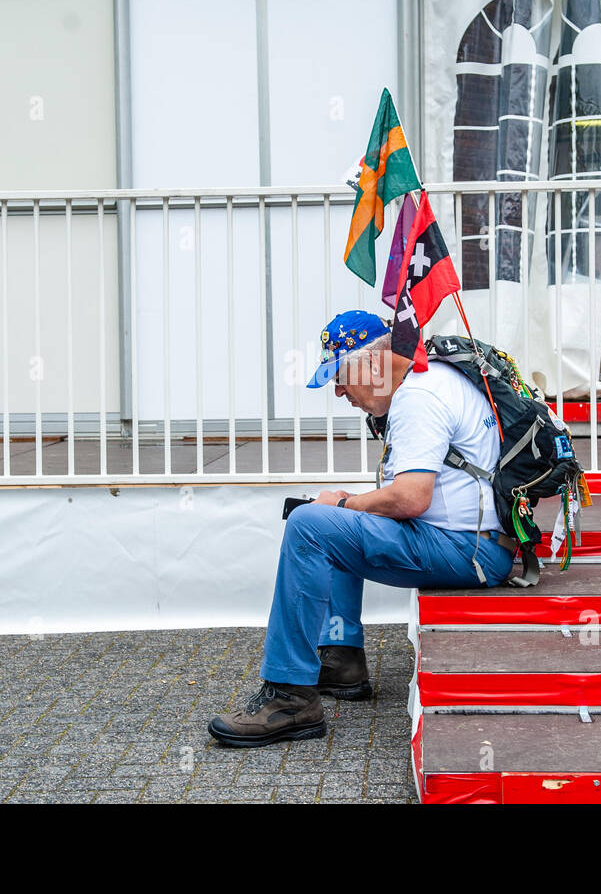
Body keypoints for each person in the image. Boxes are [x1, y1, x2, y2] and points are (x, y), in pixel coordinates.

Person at [207, 310, 516, 747]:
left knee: (310, 525)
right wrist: (347, 508)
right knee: (333, 518)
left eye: (339, 376)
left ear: (371, 364)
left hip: (470, 552)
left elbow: (411, 498)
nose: (337, 391)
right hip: (479, 543)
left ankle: (290, 699)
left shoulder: (418, 396)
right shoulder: (436, 379)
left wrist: (347, 503)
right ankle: (342, 660)